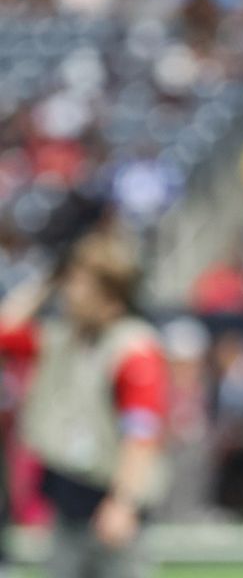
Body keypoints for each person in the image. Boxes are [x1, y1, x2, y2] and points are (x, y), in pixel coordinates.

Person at [0, 232, 169, 578]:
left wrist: (124, 502)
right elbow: (4, 330)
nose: (71, 295)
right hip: (67, 495)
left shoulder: (133, 350)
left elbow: (141, 434)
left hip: (109, 498)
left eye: (82, 286)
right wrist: (49, 279)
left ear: (111, 298)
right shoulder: (63, 337)